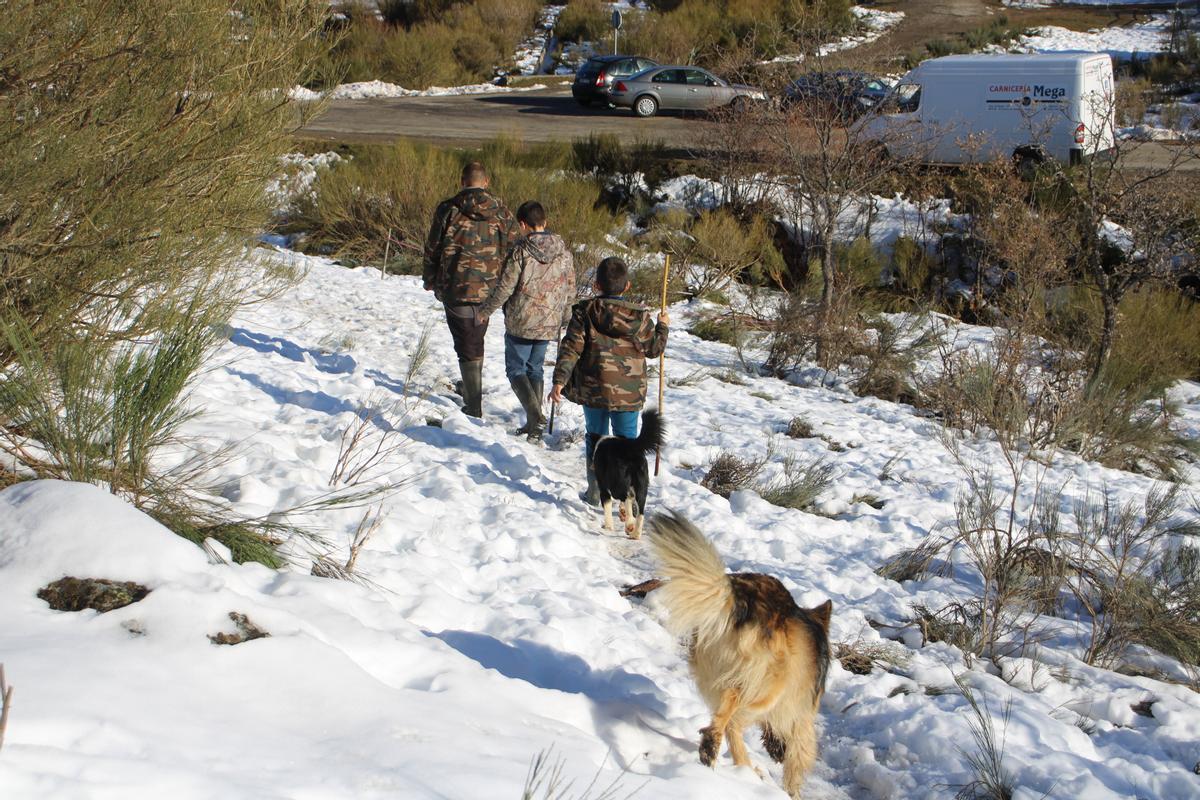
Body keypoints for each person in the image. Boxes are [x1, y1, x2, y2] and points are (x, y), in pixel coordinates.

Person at [549, 257, 669, 504]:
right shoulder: (640, 318)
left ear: (596, 285)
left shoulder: (585, 312)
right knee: (629, 443)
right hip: (628, 392)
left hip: (594, 390)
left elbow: (571, 348)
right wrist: (663, 327)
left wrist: (559, 380)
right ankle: (635, 497)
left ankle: (595, 492)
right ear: (627, 286)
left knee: (595, 437)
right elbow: (654, 349)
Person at [423, 161, 517, 418]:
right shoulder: (504, 214)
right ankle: (471, 392)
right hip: (490, 291)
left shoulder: (448, 210)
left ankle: (473, 405)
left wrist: (429, 278)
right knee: (473, 340)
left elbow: (433, 247)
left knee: (468, 344)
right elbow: (513, 253)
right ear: (485, 183)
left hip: (456, 288)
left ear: (462, 182)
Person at [477, 200, 575, 443]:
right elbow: (570, 289)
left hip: (522, 320)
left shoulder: (520, 251)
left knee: (516, 369)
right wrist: (566, 316)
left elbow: (505, 287)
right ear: (545, 222)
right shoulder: (564, 252)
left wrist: (485, 310)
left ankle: (535, 414)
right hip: (549, 322)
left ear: (523, 224)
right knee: (535, 368)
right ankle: (534, 427)